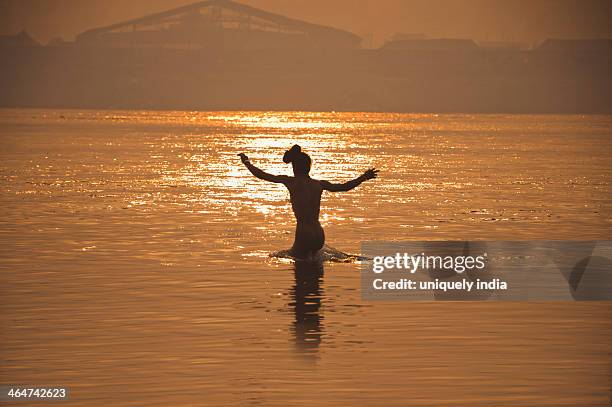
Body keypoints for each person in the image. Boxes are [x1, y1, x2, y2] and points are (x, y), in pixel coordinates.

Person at [239, 145, 378, 260]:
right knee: (315, 276)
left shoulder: (290, 181)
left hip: (304, 233)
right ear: (308, 167)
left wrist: (246, 162)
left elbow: (262, 175)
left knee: (287, 264)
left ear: (294, 167)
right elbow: (344, 187)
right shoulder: (318, 184)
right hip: (319, 234)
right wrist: (363, 177)